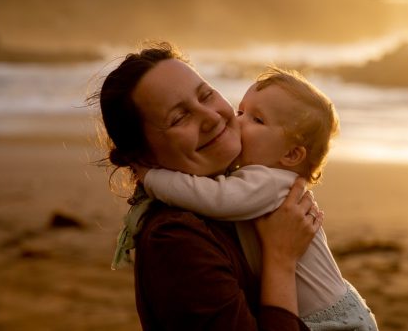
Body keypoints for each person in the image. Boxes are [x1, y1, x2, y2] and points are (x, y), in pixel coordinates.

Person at [92, 42, 321, 330]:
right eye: (179, 117)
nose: (212, 117)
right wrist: (281, 260)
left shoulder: (242, 198)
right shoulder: (175, 240)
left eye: (207, 95)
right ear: (142, 157)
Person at [133, 68, 378, 331]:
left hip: (332, 321)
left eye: (257, 120)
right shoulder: (263, 181)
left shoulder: (270, 182)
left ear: (292, 155)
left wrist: (152, 177)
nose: (237, 123)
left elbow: (213, 198)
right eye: (241, 112)